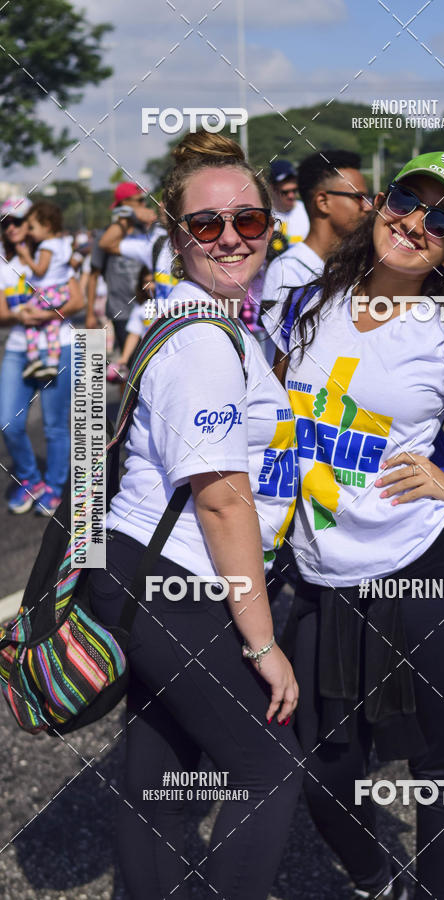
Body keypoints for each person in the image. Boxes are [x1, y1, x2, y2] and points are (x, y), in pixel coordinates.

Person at [267, 151, 444, 900]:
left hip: (423, 566)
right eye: (406, 199)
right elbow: (273, 424)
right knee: (324, 768)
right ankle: (374, 877)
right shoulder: (305, 301)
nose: (415, 223)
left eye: (442, 219)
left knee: (439, 767)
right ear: (381, 201)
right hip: (321, 572)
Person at [87, 131, 303, 900]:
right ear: (177, 238)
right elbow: (222, 500)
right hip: (170, 579)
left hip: (141, 572)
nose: (233, 238)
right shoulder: (206, 342)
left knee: (158, 776)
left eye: (250, 220)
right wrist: (263, 641)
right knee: (268, 772)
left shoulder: (209, 319)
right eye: (207, 225)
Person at [0, 197, 84, 515]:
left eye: (18, 221)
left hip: (59, 345)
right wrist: (21, 316)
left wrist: (49, 314)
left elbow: (76, 300)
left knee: (54, 426)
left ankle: (54, 487)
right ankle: (30, 479)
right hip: (19, 348)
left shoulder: (52, 254)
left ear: (32, 223)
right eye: (5, 222)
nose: (11, 228)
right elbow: (1, 313)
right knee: (7, 422)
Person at [262, 149, 370, 309]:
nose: (368, 207)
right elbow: (279, 334)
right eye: (358, 197)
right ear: (323, 202)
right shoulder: (287, 270)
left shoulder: (359, 264)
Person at [86, 182, 156, 351]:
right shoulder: (104, 235)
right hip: (121, 311)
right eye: (139, 201)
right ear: (125, 204)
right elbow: (93, 276)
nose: (143, 205)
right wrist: (89, 314)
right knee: (132, 364)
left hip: (148, 309)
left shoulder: (147, 232)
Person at [14, 201, 73, 380]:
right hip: (60, 292)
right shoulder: (63, 244)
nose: (29, 232)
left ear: (46, 226)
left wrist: (25, 257)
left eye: (32, 227)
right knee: (52, 327)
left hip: (46, 292)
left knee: (29, 321)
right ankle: (53, 363)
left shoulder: (47, 246)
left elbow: (40, 270)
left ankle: (34, 359)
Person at [268, 159, 310, 247]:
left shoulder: (308, 210)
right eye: (285, 192)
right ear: (272, 188)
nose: (291, 196)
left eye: (294, 191)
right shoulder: (264, 216)